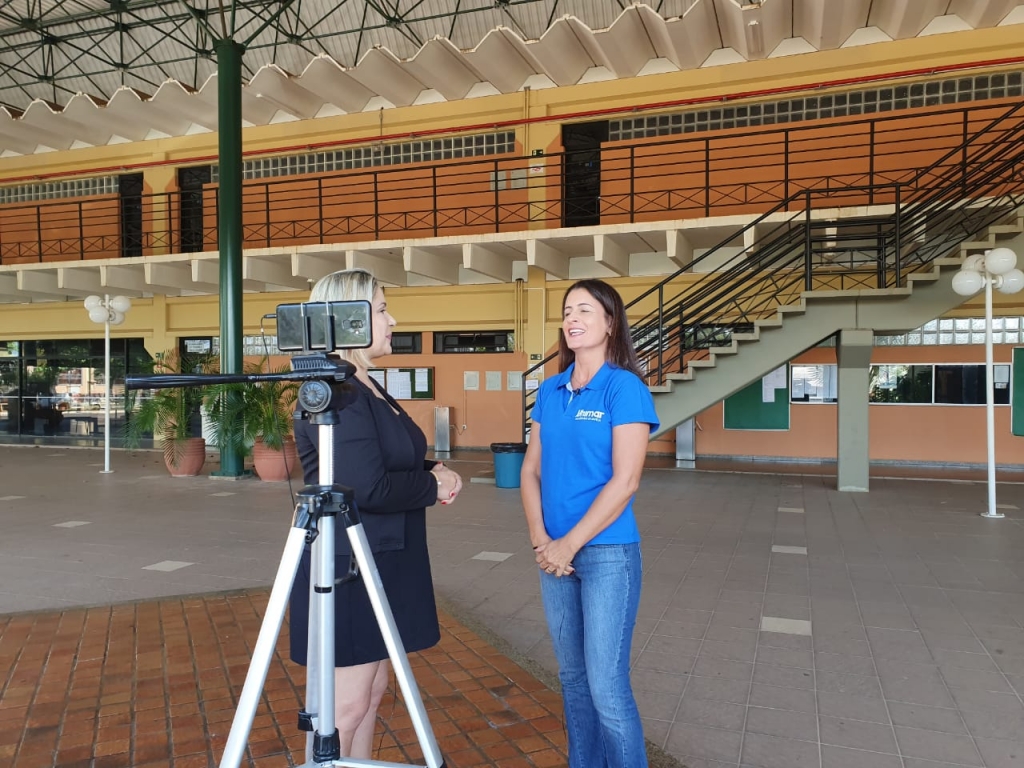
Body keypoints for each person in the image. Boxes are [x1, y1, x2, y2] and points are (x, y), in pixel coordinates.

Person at [288, 268, 463, 758]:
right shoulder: (337, 392)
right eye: (382, 309)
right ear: (347, 320)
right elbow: (366, 486)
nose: (392, 319)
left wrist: (433, 470)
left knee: (371, 692)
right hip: (348, 567)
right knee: (343, 707)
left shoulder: (363, 386)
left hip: (381, 556)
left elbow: (384, 459)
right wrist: (432, 483)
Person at [520, 278, 659, 768]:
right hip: (552, 553)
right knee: (573, 681)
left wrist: (568, 545)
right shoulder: (550, 390)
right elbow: (530, 470)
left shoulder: (625, 388)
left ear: (609, 322)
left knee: (606, 686)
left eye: (584, 309)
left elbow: (626, 481)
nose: (572, 318)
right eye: (566, 311)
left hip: (606, 555)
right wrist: (542, 540)